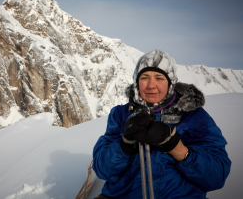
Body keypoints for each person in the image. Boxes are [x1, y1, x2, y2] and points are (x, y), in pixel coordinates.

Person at [92, 49, 231, 199]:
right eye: (145, 77)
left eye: (159, 78)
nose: (151, 85)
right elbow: (102, 170)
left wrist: (175, 146)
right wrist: (125, 144)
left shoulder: (193, 117)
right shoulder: (120, 114)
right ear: (136, 81)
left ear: (170, 82)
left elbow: (217, 177)